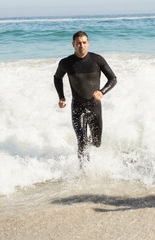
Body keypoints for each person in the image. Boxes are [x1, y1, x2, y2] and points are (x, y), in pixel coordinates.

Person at [54, 31, 117, 168]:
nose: (81, 45)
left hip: (95, 106)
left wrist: (102, 92)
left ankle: (88, 147)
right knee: (82, 141)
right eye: (78, 43)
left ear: (88, 43)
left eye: (84, 42)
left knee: (96, 143)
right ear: (73, 45)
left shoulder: (97, 60)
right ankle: (84, 172)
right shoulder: (66, 62)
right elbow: (57, 78)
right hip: (78, 107)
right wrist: (61, 97)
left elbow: (113, 79)